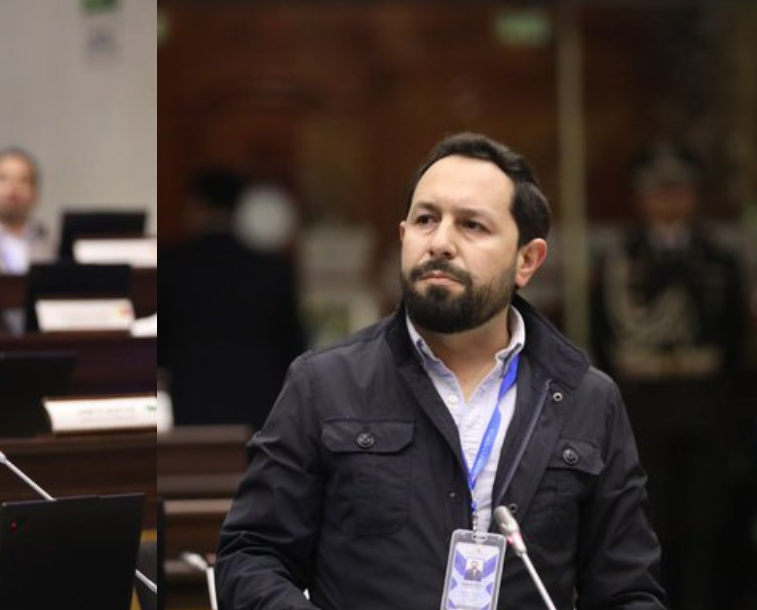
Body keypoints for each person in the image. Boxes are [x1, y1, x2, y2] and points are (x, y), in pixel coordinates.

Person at [216, 132, 666, 609]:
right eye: (426, 219)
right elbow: (252, 557)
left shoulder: (585, 399)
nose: (441, 242)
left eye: (472, 225)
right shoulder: (326, 383)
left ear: (527, 261)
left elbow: (628, 591)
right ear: (403, 236)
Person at [589, 144, 748, 610]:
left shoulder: (717, 259)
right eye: (659, 193)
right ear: (643, 199)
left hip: (704, 402)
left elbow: (734, 342)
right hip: (646, 403)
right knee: (652, 517)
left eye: (678, 191)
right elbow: (605, 336)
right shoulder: (620, 260)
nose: (669, 203)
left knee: (707, 521)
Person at [159, 168, 304, 430]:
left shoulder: (172, 266)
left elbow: (161, 341)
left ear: (196, 206)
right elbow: (292, 347)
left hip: (192, 403)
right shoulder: (272, 269)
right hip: (259, 404)